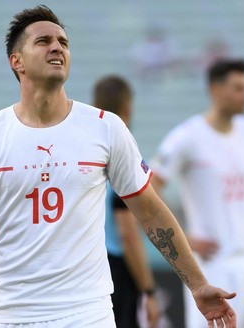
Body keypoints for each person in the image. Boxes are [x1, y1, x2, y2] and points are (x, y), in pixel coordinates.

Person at [0, 5, 237, 328]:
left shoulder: (105, 127)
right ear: (17, 61)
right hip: (13, 312)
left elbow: (149, 212)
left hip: (87, 312)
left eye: (63, 42)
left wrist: (198, 285)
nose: (57, 47)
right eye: (43, 41)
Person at [151, 58, 244, 328]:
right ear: (215, 89)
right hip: (213, 266)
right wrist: (184, 239)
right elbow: (151, 186)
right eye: (238, 88)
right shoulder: (187, 137)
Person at [94, 76, 161, 328]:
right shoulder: (122, 158)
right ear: (128, 109)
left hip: (85, 263)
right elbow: (127, 232)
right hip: (116, 269)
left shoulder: (85, 151)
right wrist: (149, 290)